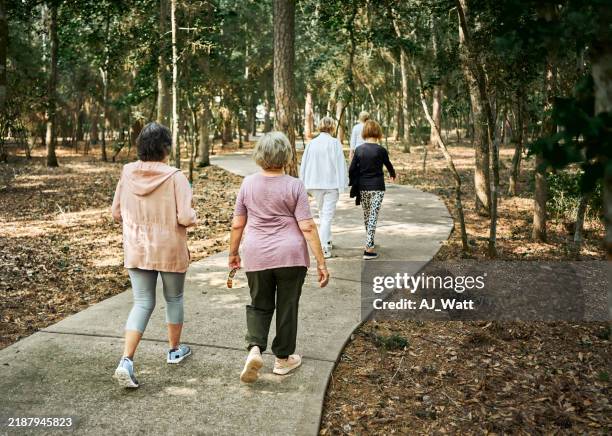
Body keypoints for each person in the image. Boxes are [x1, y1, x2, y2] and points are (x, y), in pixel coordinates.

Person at [229, 131, 330, 383]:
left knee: (259, 303)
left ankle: (254, 348)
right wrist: (321, 261)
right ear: (286, 156)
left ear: (259, 155)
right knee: (287, 306)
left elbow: (237, 224)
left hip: (257, 254)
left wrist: (232, 253)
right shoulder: (294, 185)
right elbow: (307, 226)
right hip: (291, 256)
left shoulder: (248, 184)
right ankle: (283, 360)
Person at [111, 122, 197, 388]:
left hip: (137, 247)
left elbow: (116, 213)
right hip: (169, 247)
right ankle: (174, 351)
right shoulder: (176, 177)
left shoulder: (126, 173)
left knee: (142, 302)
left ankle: (126, 359)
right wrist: (194, 215)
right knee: (174, 297)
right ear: (166, 148)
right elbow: (184, 216)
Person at [299, 117, 348, 258]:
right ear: (332, 127)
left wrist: (303, 182)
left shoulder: (312, 143)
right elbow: (340, 164)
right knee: (326, 216)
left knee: (323, 213)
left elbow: (304, 164)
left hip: (314, 184)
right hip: (331, 184)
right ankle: (324, 247)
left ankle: (327, 239)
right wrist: (342, 184)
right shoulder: (335, 143)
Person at [348, 119, 396, 260]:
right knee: (373, 216)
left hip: (363, 187)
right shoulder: (381, 150)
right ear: (378, 133)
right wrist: (392, 175)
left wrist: (354, 180)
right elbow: (389, 165)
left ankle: (370, 241)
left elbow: (351, 169)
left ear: (364, 133)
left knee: (368, 215)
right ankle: (368, 249)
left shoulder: (359, 150)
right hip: (377, 187)